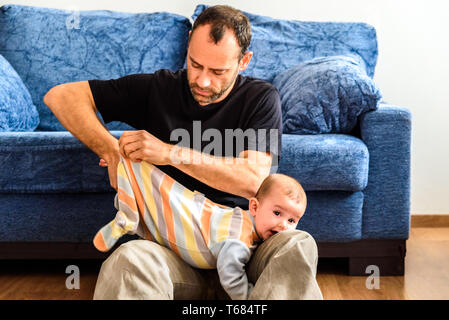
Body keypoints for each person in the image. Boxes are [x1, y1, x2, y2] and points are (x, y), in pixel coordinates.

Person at [44, 5, 323, 299]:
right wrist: (111, 152)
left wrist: (169, 153)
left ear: (244, 62)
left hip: (248, 252)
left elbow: (253, 179)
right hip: (174, 256)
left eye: (218, 72)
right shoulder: (157, 88)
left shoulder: (260, 98)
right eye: (195, 64)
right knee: (128, 261)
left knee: (298, 244)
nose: (203, 81)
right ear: (188, 44)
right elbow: (62, 96)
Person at [93, 155, 307, 300]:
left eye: (292, 220)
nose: (283, 224)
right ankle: (130, 203)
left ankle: (129, 203)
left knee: (300, 242)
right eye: (277, 213)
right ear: (254, 206)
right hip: (191, 247)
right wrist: (247, 295)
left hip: (217, 247)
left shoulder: (259, 101)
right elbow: (231, 274)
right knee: (130, 256)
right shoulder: (238, 239)